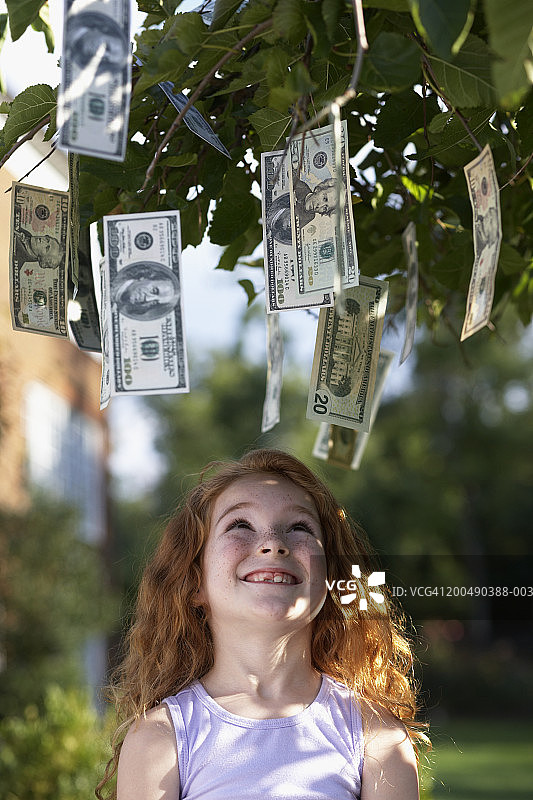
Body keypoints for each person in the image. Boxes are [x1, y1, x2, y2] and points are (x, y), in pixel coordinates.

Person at [96, 449, 428, 800]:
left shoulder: (376, 737)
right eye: (240, 525)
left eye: (299, 528)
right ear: (195, 581)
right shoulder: (160, 738)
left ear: (332, 579)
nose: (273, 544)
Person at [266, 178, 337, 245]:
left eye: (325, 208)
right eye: (324, 198)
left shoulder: (310, 216)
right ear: (318, 189)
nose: (320, 205)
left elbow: (290, 234)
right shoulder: (300, 187)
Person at [112, 262, 180, 321]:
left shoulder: (119, 311)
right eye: (154, 291)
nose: (147, 299)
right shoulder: (113, 278)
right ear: (145, 277)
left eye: (154, 302)